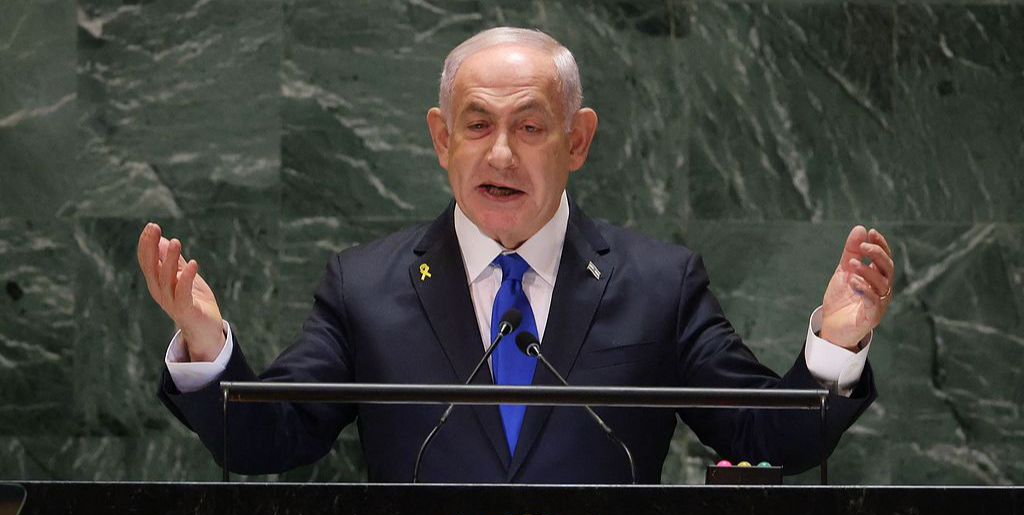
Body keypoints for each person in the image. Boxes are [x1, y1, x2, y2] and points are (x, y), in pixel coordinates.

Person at [137, 27, 894, 484]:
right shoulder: (363, 287)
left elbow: (767, 435)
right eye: (476, 126)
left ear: (577, 140)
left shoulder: (658, 285)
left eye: (530, 128)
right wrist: (207, 348)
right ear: (441, 139)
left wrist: (835, 345)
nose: (499, 153)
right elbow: (270, 439)